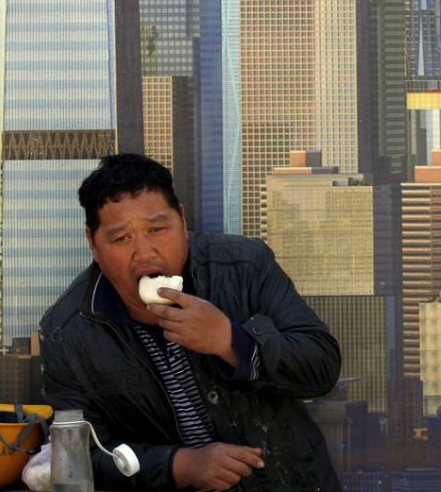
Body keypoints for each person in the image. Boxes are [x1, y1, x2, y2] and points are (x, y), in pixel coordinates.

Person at [39, 153, 343, 491]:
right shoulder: (66, 332)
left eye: (157, 229)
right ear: (93, 244)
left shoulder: (245, 266)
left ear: (182, 221)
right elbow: (76, 457)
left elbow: (322, 368)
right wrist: (180, 465)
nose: (144, 252)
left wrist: (232, 342)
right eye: (122, 238)